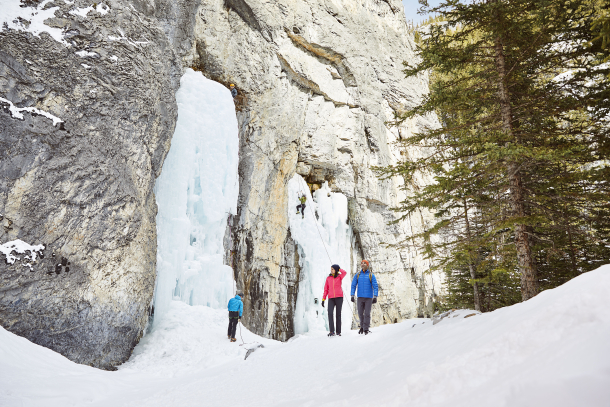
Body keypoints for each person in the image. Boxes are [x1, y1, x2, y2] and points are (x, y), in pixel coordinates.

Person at [350, 259, 378, 335]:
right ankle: (362, 327)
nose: (362, 264)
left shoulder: (371, 275)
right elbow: (353, 285)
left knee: (367, 314)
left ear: (367, 265)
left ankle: (366, 329)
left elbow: (375, 286)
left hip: (368, 297)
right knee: (360, 313)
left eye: (364, 263)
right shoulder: (358, 275)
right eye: (361, 263)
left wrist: (375, 296)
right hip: (360, 297)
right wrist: (352, 295)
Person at [322, 264, 347, 337]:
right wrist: (323, 299)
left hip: (339, 297)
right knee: (330, 313)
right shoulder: (328, 278)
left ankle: (338, 332)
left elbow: (344, 272)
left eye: (332, 269)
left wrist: (339, 269)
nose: (331, 270)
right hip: (331, 298)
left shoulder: (339, 276)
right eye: (331, 269)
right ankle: (331, 331)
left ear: (335, 270)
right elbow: (326, 289)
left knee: (338, 314)